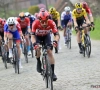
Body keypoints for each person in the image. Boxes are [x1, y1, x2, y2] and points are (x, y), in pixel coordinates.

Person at [31, 11, 59, 81]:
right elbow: (32, 36)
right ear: (39, 20)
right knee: (38, 49)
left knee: (49, 52)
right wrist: (35, 44)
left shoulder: (51, 22)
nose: (44, 23)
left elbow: (56, 34)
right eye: (42, 21)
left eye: (45, 21)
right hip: (38, 37)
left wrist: (55, 41)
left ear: (48, 19)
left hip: (46, 36)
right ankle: (38, 61)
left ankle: (52, 73)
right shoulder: (35, 23)